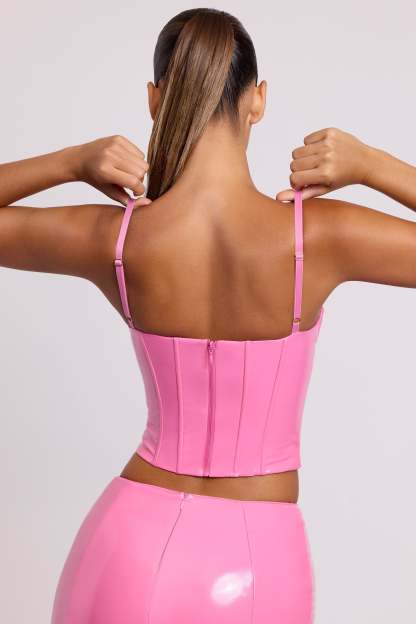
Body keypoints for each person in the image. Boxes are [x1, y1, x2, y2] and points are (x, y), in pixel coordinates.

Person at [1, 7, 415, 624]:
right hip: (260, 565)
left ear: (155, 101)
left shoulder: (119, 241)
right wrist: (372, 165)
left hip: (125, 550)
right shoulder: (318, 239)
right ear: (258, 100)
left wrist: (71, 162)